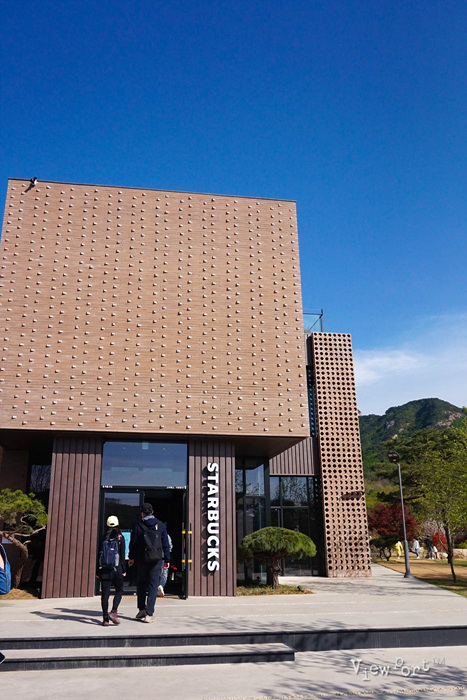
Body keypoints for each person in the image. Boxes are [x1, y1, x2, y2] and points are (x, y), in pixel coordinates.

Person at [128, 503, 170, 623]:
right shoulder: (160, 526)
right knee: (153, 585)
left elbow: (133, 544)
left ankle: (141, 609)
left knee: (141, 584)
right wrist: (167, 559)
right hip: (156, 560)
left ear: (142, 513)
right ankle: (149, 614)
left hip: (141, 560)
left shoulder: (138, 526)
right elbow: (165, 544)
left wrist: (131, 557)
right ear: (152, 512)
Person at [97, 515, 126, 626]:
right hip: (117, 569)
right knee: (119, 590)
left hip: (104, 570)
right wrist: (123, 570)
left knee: (105, 594)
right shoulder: (120, 538)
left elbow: (98, 555)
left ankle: (105, 619)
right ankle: (113, 612)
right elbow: (122, 556)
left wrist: (97, 571)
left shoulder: (103, 538)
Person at [158, 525, 173, 598]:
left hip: (155, 557)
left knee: (156, 573)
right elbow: (169, 547)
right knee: (164, 573)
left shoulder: (155, 535)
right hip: (164, 557)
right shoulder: (167, 536)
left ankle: (156, 588)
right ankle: (161, 586)